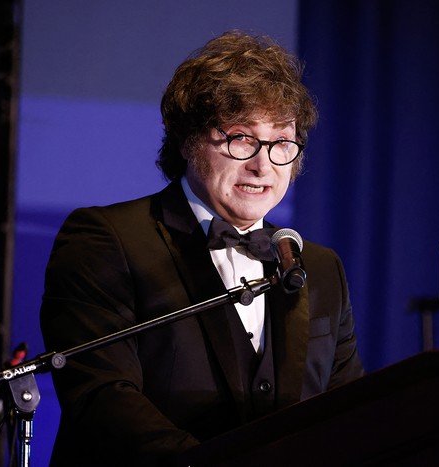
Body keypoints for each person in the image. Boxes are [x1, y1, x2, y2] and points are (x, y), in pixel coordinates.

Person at [40, 30, 364, 466]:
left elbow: (351, 415)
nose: (263, 164)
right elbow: (103, 400)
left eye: (281, 142)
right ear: (187, 139)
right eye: (242, 137)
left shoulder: (321, 268)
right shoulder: (105, 239)